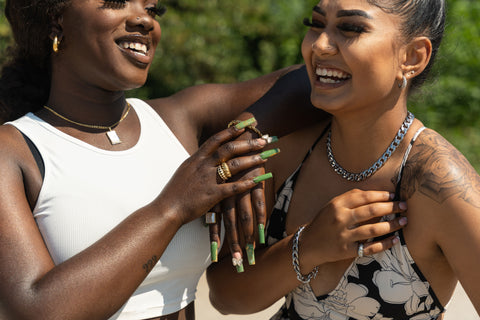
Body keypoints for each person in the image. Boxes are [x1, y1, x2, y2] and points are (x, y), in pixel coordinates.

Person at [0, 1, 407, 319]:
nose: (144, 20)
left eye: (152, 9)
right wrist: (175, 205)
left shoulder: (177, 120)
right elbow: (38, 308)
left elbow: (311, 79)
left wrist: (242, 141)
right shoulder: (15, 149)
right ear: (55, 20)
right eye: (117, 1)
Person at [207, 0, 480, 319]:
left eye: (351, 28)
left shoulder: (440, 182)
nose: (320, 45)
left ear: (412, 56)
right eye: (316, 24)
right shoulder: (283, 156)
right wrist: (308, 246)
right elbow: (225, 297)